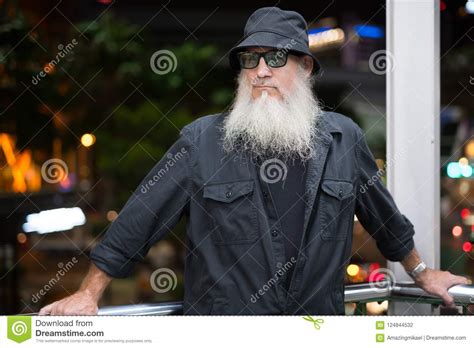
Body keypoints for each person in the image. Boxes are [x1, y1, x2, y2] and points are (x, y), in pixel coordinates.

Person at [39, 6, 468, 316]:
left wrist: (423, 273)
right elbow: (137, 222)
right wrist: (89, 293)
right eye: (250, 59)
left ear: (304, 68)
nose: (261, 70)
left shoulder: (344, 139)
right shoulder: (200, 142)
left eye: (276, 57)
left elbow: (387, 223)